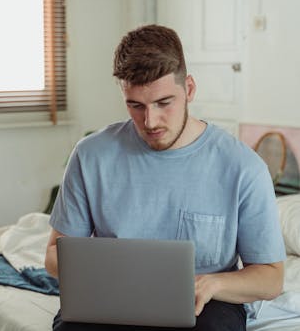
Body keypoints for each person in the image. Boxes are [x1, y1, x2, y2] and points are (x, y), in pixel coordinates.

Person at [44, 24, 286, 331]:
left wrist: (212, 284)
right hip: (111, 297)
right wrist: (104, 272)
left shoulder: (243, 168)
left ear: (190, 89)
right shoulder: (90, 155)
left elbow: (271, 278)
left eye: (163, 103)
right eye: (135, 105)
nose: (150, 121)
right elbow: (53, 257)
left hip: (206, 305)